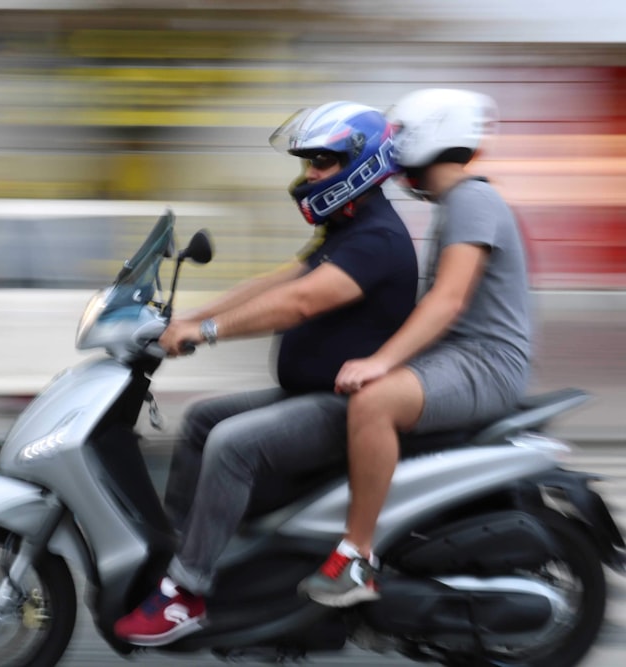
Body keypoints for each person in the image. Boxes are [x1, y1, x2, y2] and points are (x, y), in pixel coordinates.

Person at [113, 101, 418, 646]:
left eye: (321, 163)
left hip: (342, 409)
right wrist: (190, 316)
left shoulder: (378, 239)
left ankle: (187, 595)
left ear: (362, 163)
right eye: (306, 164)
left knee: (233, 444)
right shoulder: (345, 229)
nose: (309, 176)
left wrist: (206, 335)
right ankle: (179, 555)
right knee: (205, 417)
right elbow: (279, 281)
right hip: (307, 392)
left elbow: (299, 303)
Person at [298, 89, 532, 607]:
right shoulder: (459, 203)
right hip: (461, 358)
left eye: (400, 135)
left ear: (432, 135)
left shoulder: (473, 199)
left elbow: (449, 301)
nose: (393, 150)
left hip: (485, 362)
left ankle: (357, 557)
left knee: (374, 400)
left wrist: (381, 361)